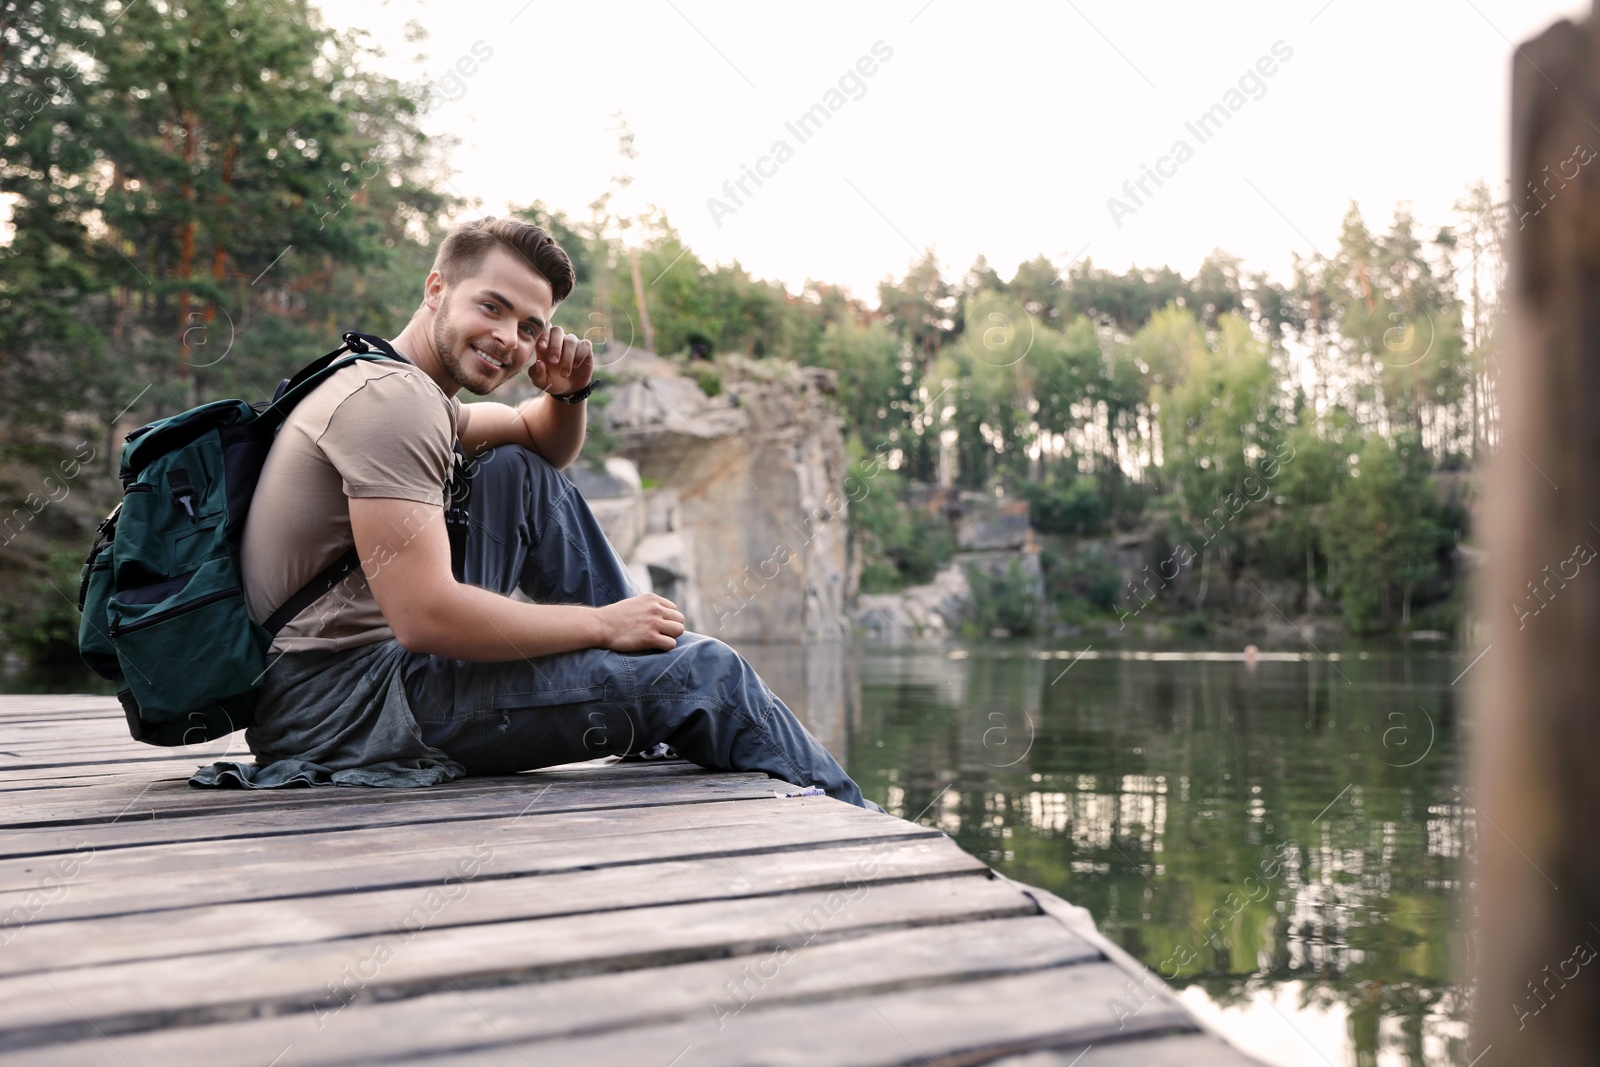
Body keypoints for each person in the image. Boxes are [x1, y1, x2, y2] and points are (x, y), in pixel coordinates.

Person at [193, 217, 879, 811]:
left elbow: (537, 440)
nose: (508, 338)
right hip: (345, 710)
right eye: (490, 308)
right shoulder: (391, 405)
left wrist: (569, 395)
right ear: (436, 289)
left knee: (517, 473)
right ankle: (863, 830)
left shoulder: (402, 386)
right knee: (708, 673)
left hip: (352, 684)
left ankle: (653, 680)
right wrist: (604, 624)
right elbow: (424, 616)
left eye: (531, 327)